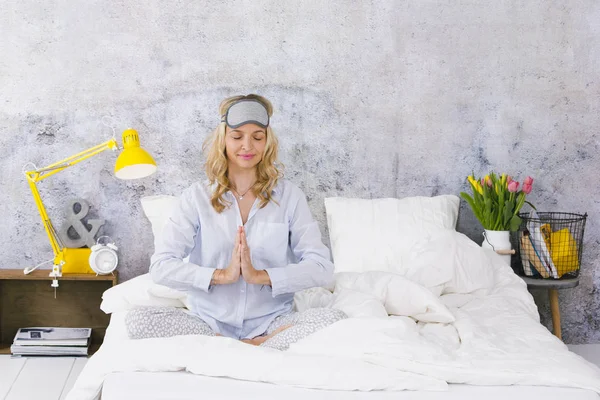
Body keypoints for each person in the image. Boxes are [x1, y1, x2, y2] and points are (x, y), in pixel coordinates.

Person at [126, 94, 346, 350]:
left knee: (335, 320)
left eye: (257, 137)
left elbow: (321, 267)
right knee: (137, 320)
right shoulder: (196, 197)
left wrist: (260, 276)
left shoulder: (289, 196)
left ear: (267, 141)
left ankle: (247, 345)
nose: (247, 146)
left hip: (272, 322)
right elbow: (162, 267)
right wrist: (221, 275)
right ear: (224, 139)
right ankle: (249, 346)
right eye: (237, 136)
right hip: (208, 323)